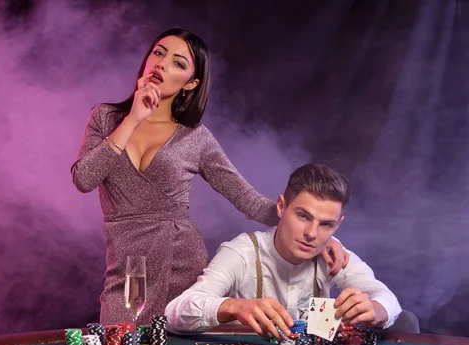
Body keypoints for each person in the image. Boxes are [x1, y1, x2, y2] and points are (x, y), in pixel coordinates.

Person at [71, 28, 348, 325]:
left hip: (182, 261)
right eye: (158, 53)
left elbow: (248, 200)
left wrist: (317, 235)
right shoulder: (105, 117)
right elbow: (84, 179)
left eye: (178, 63)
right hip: (127, 265)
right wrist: (133, 118)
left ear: (190, 83)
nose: (162, 64)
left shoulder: (196, 139)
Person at [165, 163, 402, 339]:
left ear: (337, 225)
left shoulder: (334, 256)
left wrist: (375, 310)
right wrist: (233, 307)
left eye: (325, 224)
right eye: (303, 216)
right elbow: (174, 313)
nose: (311, 233)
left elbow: (387, 299)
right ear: (281, 207)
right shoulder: (242, 252)